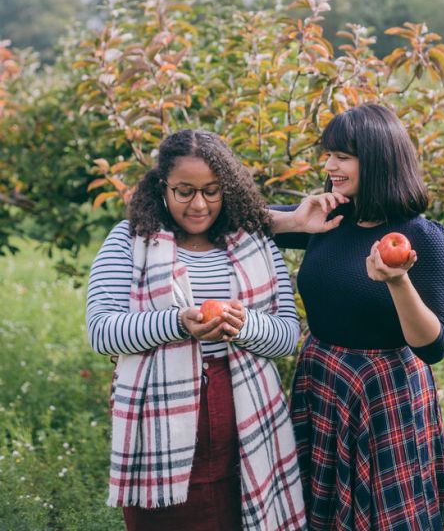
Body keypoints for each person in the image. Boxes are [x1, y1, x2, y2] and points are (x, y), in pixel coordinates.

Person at [86, 129, 307, 531]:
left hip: (243, 406)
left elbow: (286, 336)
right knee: (168, 518)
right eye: (184, 191)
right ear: (162, 187)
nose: (199, 204)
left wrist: (244, 325)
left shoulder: (254, 242)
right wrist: (178, 323)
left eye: (211, 190)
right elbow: (102, 330)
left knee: (237, 511)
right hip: (160, 411)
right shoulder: (129, 241)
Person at [270, 103, 444, 531]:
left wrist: (397, 282)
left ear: (377, 158)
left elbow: (435, 346)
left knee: (382, 512)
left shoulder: (423, 238)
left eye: (342, 155)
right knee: (320, 499)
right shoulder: (331, 218)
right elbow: (238, 219)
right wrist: (294, 220)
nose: (330, 165)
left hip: (384, 391)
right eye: (329, 154)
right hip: (322, 376)